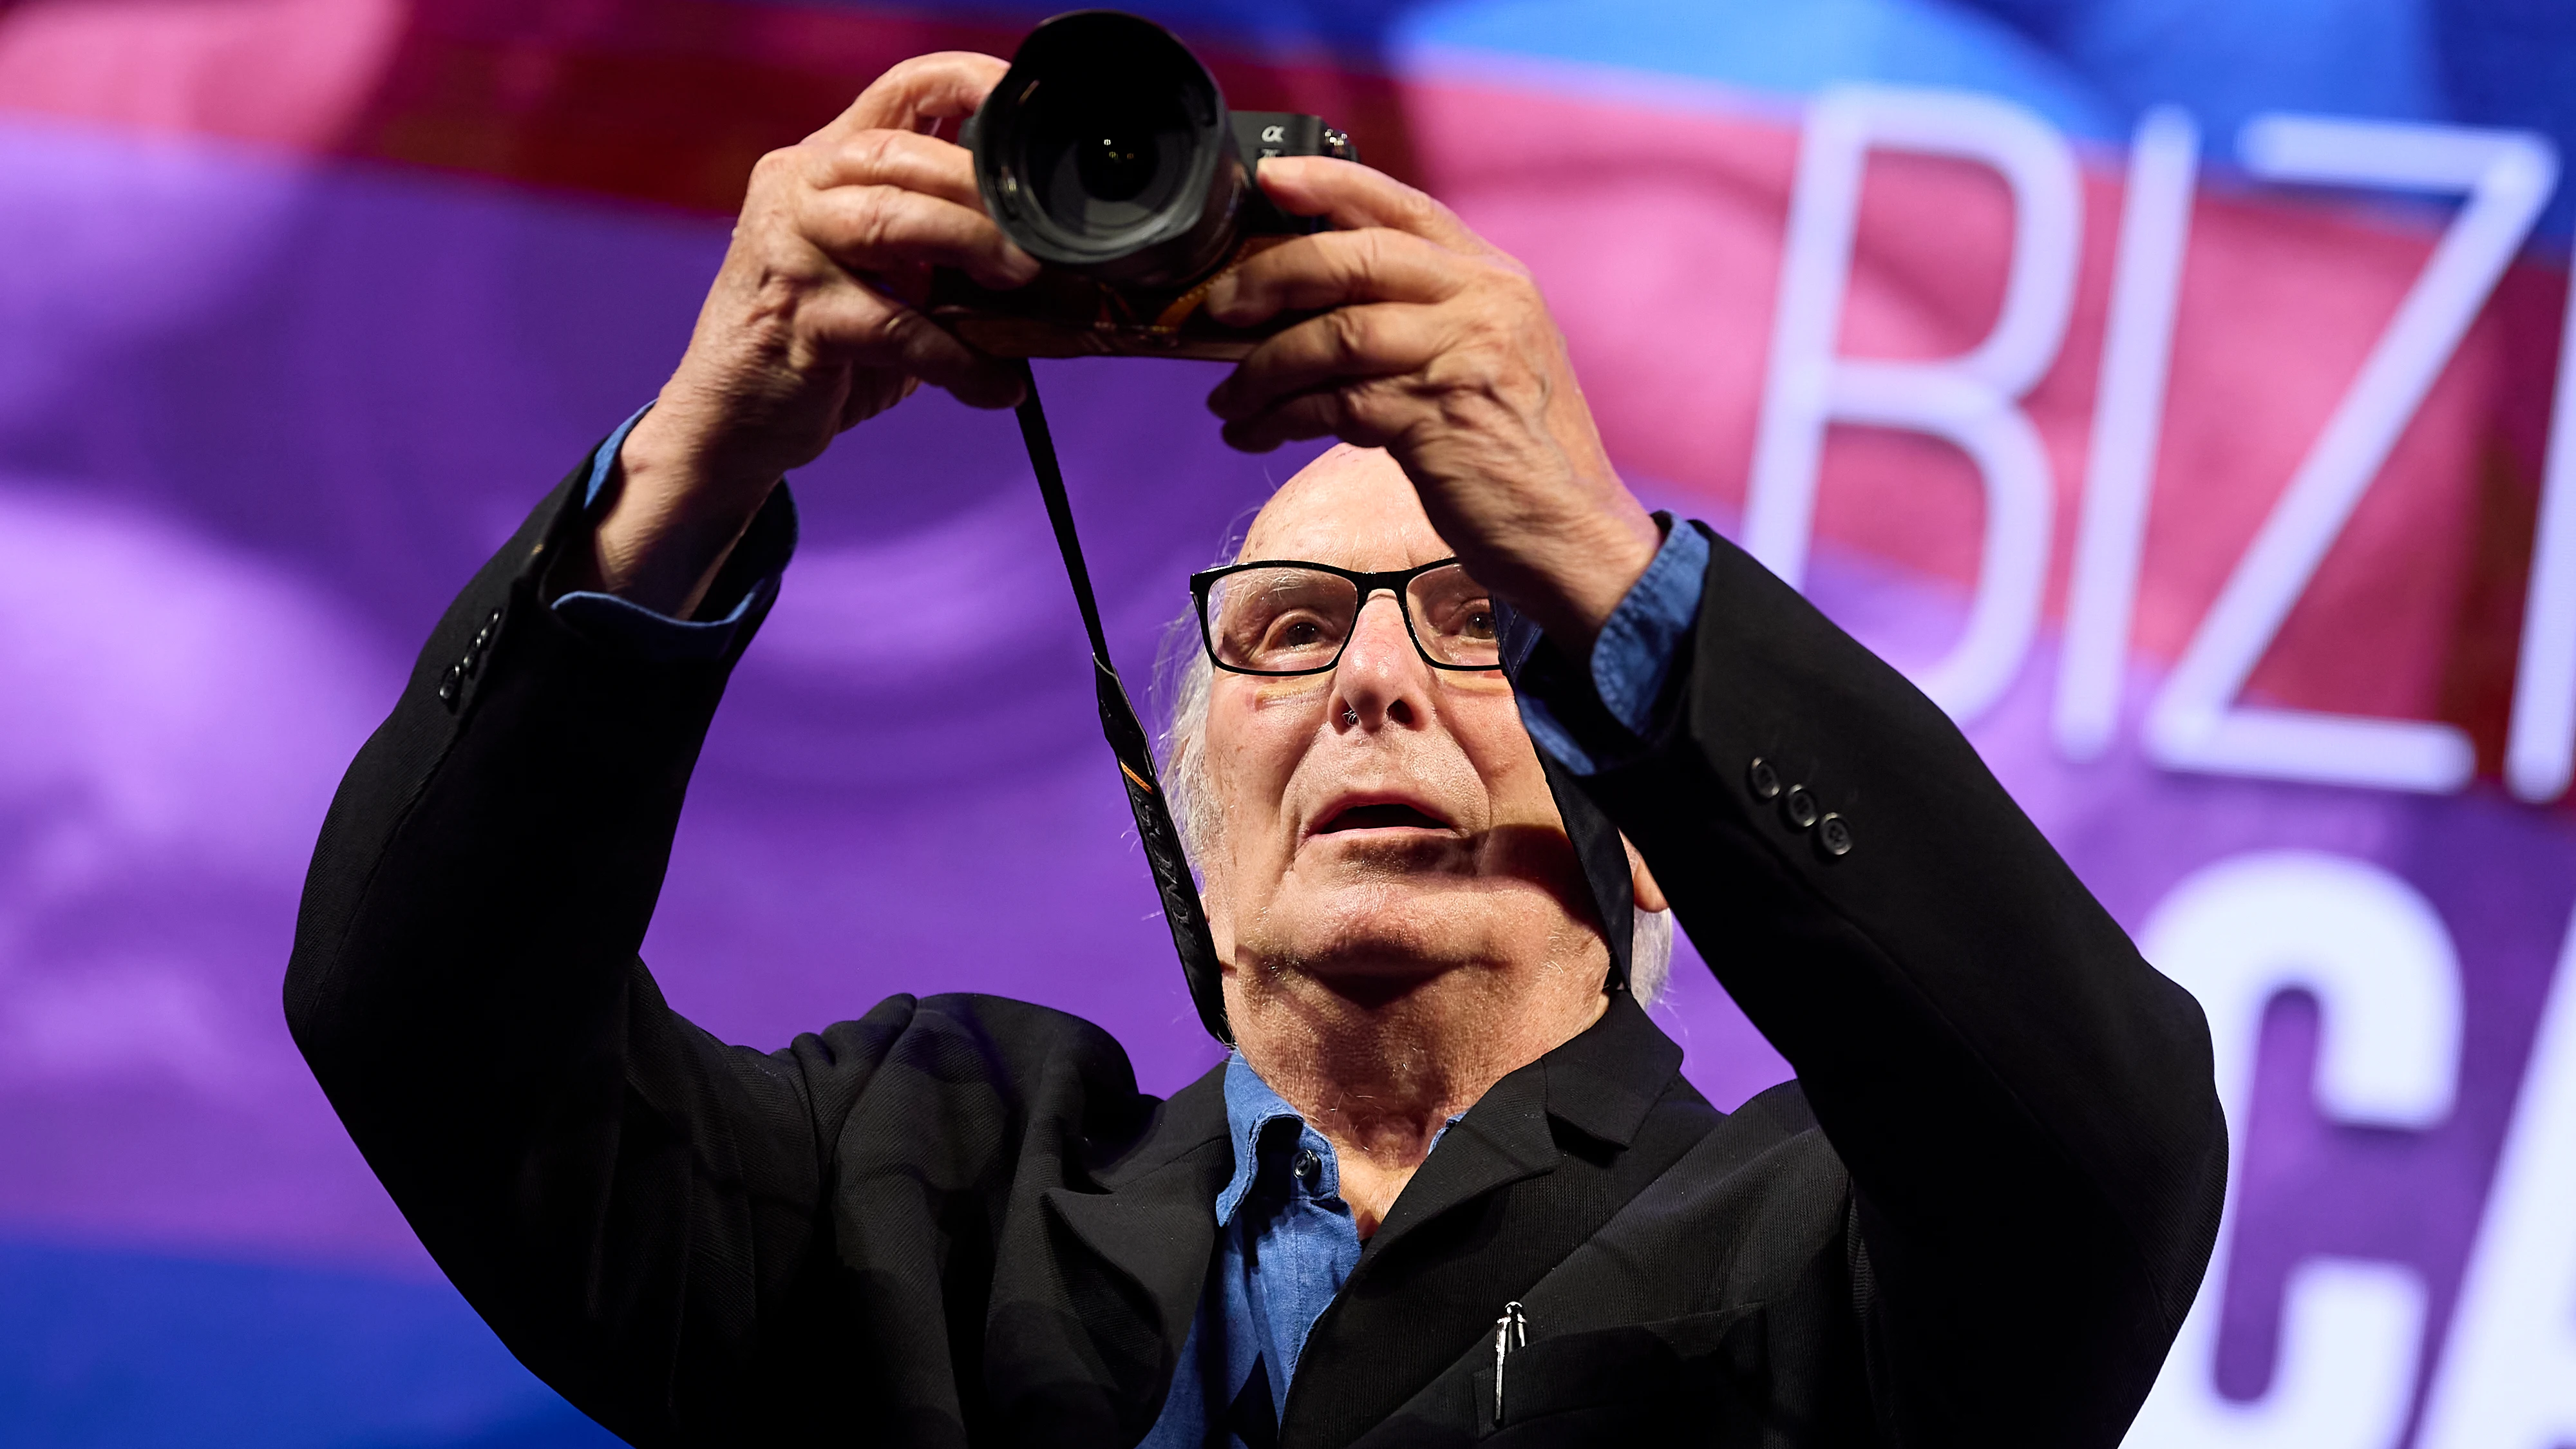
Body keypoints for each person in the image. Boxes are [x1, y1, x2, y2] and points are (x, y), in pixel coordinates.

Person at [286, 50, 2224, 1449]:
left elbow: (2094, 1140)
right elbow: (425, 1024)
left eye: (1477, 625)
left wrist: (1585, 545)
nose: (1374, 687)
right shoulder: (914, 1198)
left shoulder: (1819, 1246)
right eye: (1290, 631)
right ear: (1193, 820)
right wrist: (706, 450)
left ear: (1653, 830)